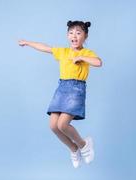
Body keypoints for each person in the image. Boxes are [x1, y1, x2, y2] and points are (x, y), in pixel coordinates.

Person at [18, 20, 102, 168]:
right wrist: (28, 43)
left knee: (63, 124)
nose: (74, 36)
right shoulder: (63, 52)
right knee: (53, 126)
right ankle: (74, 149)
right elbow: (45, 48)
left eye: (78, 33)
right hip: (61, 88)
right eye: (71, 33)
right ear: (67, 35)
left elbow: (98, 62)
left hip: (76, 89)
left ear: (85, 36)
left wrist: (81, 58)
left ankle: (84, 145)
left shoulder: (86, 53)